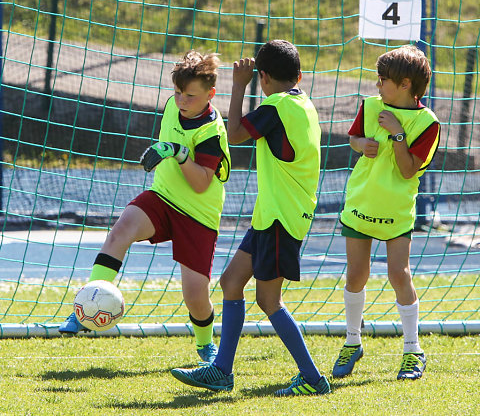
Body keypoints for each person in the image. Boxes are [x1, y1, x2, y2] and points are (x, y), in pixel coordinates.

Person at [170, 40, 330, 397]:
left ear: (263, 78)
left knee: (269, 301)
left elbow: (235, 133)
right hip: (272, 215)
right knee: (230, 282)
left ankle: (313, 379)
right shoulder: (304, 103)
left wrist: (239, 85)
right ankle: (221, 372)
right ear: (299, 75)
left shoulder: (276, 106)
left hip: (281, 219)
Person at [59, 50, 231, 364]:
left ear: (211, 94)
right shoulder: (172, 105)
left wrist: (177, 153)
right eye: (178, 92)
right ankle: (84, 311)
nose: (181, 101)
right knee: (119, 232)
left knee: (195, 296)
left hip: (198, 214)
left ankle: (206, 345)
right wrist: (169, 151)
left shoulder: (210, 132)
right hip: (162, 198)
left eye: (190, 96)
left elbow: (200, 184)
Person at [332, 45, 440, 380]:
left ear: (406, 84)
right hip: (361, 204)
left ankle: (412, 350)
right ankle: (352, 342)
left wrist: (396, 133)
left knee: (399, 275)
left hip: (395, 212)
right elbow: (354, 140)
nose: (377, 85)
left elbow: (408, 170)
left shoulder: (427, 123)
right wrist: (361, 144)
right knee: (355, 276)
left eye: (383, 80)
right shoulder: (370, 106)